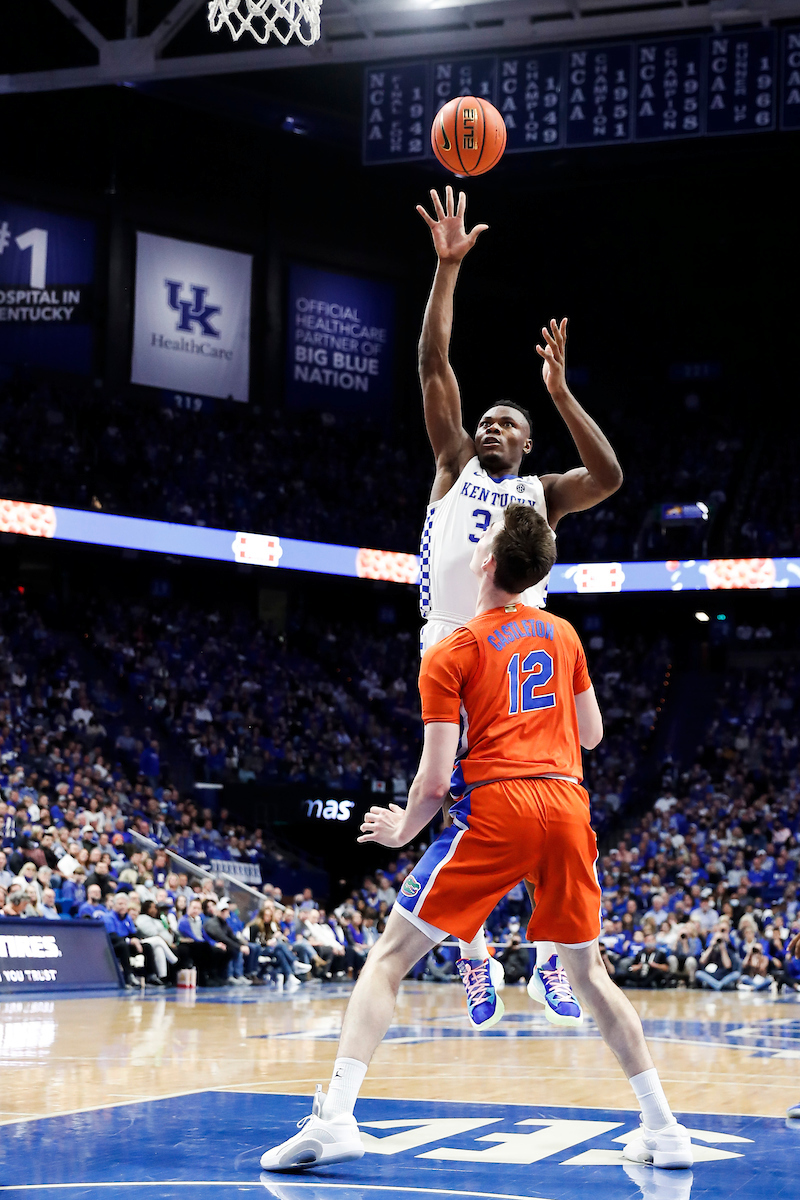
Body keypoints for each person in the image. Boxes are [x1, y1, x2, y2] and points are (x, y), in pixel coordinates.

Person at [259, 506, 692, 1172]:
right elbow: (593, 735)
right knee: (592, 974)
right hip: (568, 805)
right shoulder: (564, 634)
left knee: (388, 959)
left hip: (500, 806)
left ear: (486, 562)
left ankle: (338, 1116)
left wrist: (401, 828)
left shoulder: (451, 648)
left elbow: (433, 783)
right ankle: (663, 1128)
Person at [414, 185, 623, 1026]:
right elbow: (434, 366)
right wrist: (446, 270)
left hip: (518, 656)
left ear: (529, 443)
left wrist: (562, 392)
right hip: (448, 643)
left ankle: (539, 961)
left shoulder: (544, 491)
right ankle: (475, 954)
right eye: (488, 420)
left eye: (508, 423)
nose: (492, 428)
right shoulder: (452, 464)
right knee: (459, 803)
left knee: (533, 795)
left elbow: (608, 478)